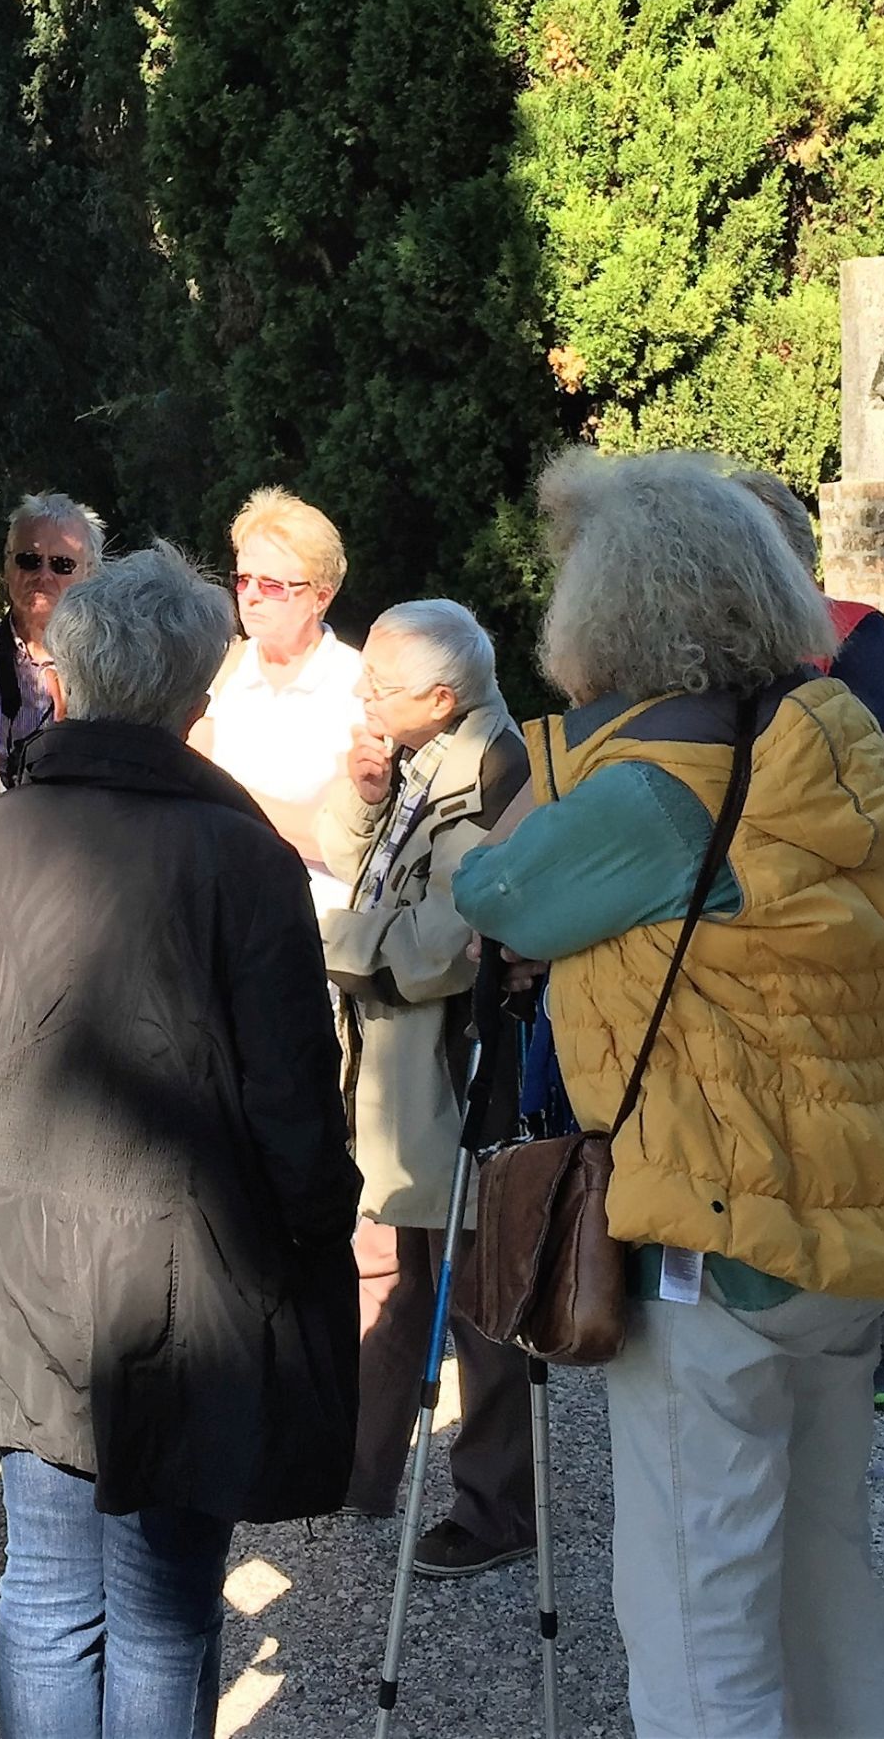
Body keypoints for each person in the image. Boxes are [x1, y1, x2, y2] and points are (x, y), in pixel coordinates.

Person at [453, 450, 884, 1739]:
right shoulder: (829, 741)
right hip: (846, 1217)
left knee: (695, 1604)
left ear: (610, 607)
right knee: (821, 1569)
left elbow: (494, 893)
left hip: (714, 1234)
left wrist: (558, 762)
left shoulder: (650, 792)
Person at [0, 544, 361, 1738]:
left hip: (18, 1254)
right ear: (195, 696)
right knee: (158, 1607)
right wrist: (320, 1230)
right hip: (191, 1281)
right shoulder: (244, 857)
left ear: (66, 678)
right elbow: (294, 1103)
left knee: (47, 1591)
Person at [729, 465, 884, 1413]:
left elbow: (850, 773)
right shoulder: (706, 650)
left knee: (881, 1101)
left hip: (862, 899)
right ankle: (796, 1283)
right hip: (760, 904)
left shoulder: (851, 630)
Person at [315, 599, 537, 1580]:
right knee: (397, 1272)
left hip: (454, 1073)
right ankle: (359, 1470)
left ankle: (495, 1509)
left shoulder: (492, 777)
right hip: (400, 1075)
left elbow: (444, 944)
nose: (361, 696)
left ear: (441, 698)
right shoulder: (423, 755)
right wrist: (365, 796)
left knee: (477, 1293)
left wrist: (320, 943)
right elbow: (368, 870)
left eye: (379, 685)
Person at [194, 487, 365, 906]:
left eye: (272, 585)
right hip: (214, 899)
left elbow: (336, 838)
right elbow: (185, 779)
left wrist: (223, 795)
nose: (250, 595)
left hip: (310, 913)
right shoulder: (221, 668)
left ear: (321, 596)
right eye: (243, 579)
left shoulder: (357, 684)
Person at [0, 492, 105, 774]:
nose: (43, 575)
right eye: (29, 560)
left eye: (62, 564)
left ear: (89, 574)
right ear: (7, 566)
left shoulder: (114, 670)